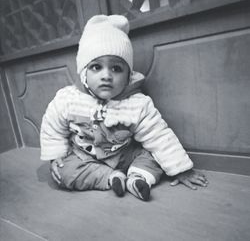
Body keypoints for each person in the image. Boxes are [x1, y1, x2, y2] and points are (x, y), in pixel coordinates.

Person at [40, 14, 208, 201]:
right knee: (64, 172)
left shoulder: (137, 103)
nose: (106, 75)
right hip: (86, 158)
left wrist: (180, 169)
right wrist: (56, 156)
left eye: (116, 69)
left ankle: (138, 178)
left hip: (125, 156)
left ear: (129, 76)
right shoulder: (68, 99)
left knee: (155, 156)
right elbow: (52, 127)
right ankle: (110, 178)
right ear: (83, 72)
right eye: (96, 67)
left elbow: (159, 136)